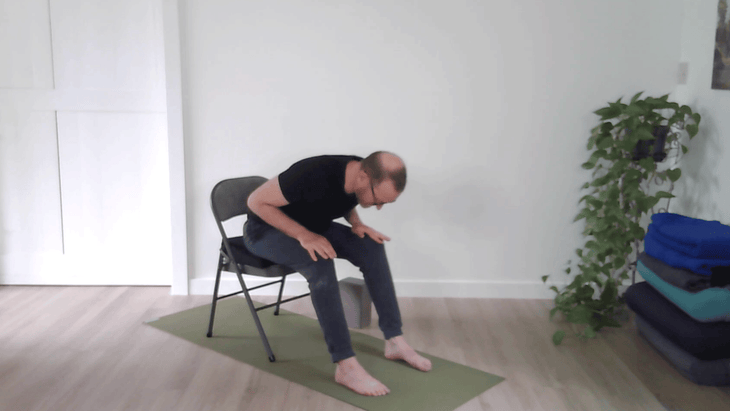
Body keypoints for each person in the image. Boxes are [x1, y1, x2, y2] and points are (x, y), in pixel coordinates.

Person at [244, 151, 431, 397]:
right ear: (364, 177)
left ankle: (394, 339)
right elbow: (255, 202)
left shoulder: (359, 173)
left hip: (313, 226)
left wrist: (356, 224)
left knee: (371, 246)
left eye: (385, 203)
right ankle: (345, 366)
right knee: (319, 262)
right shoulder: (311, 173)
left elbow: (341, 200)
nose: (379, 207)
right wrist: (303, 235)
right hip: (265, 231)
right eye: (378, 200)